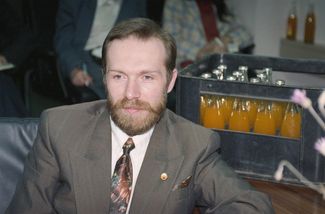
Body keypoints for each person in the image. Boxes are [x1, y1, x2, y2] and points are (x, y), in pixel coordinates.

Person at [6, 18, 274, 213]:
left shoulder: (194, 144)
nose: (131, 93)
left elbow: (251, 205)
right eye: (119, 76)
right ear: (104, 78)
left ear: (170, 82)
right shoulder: (59, 128)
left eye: (147, 77)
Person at [54, 0, 147, 101]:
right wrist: (73, 69)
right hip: (86, 58)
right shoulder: (74, 3)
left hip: (124, 56)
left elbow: (142, 35)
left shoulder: (136, 3)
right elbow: (63, 41)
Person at [163, 0, 254, 68]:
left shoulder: (223, 5)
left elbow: (246, 35)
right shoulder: (176, 3)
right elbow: (170, 40)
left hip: (224, 63)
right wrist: (201, 52)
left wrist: (225, 41)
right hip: (192, 65)